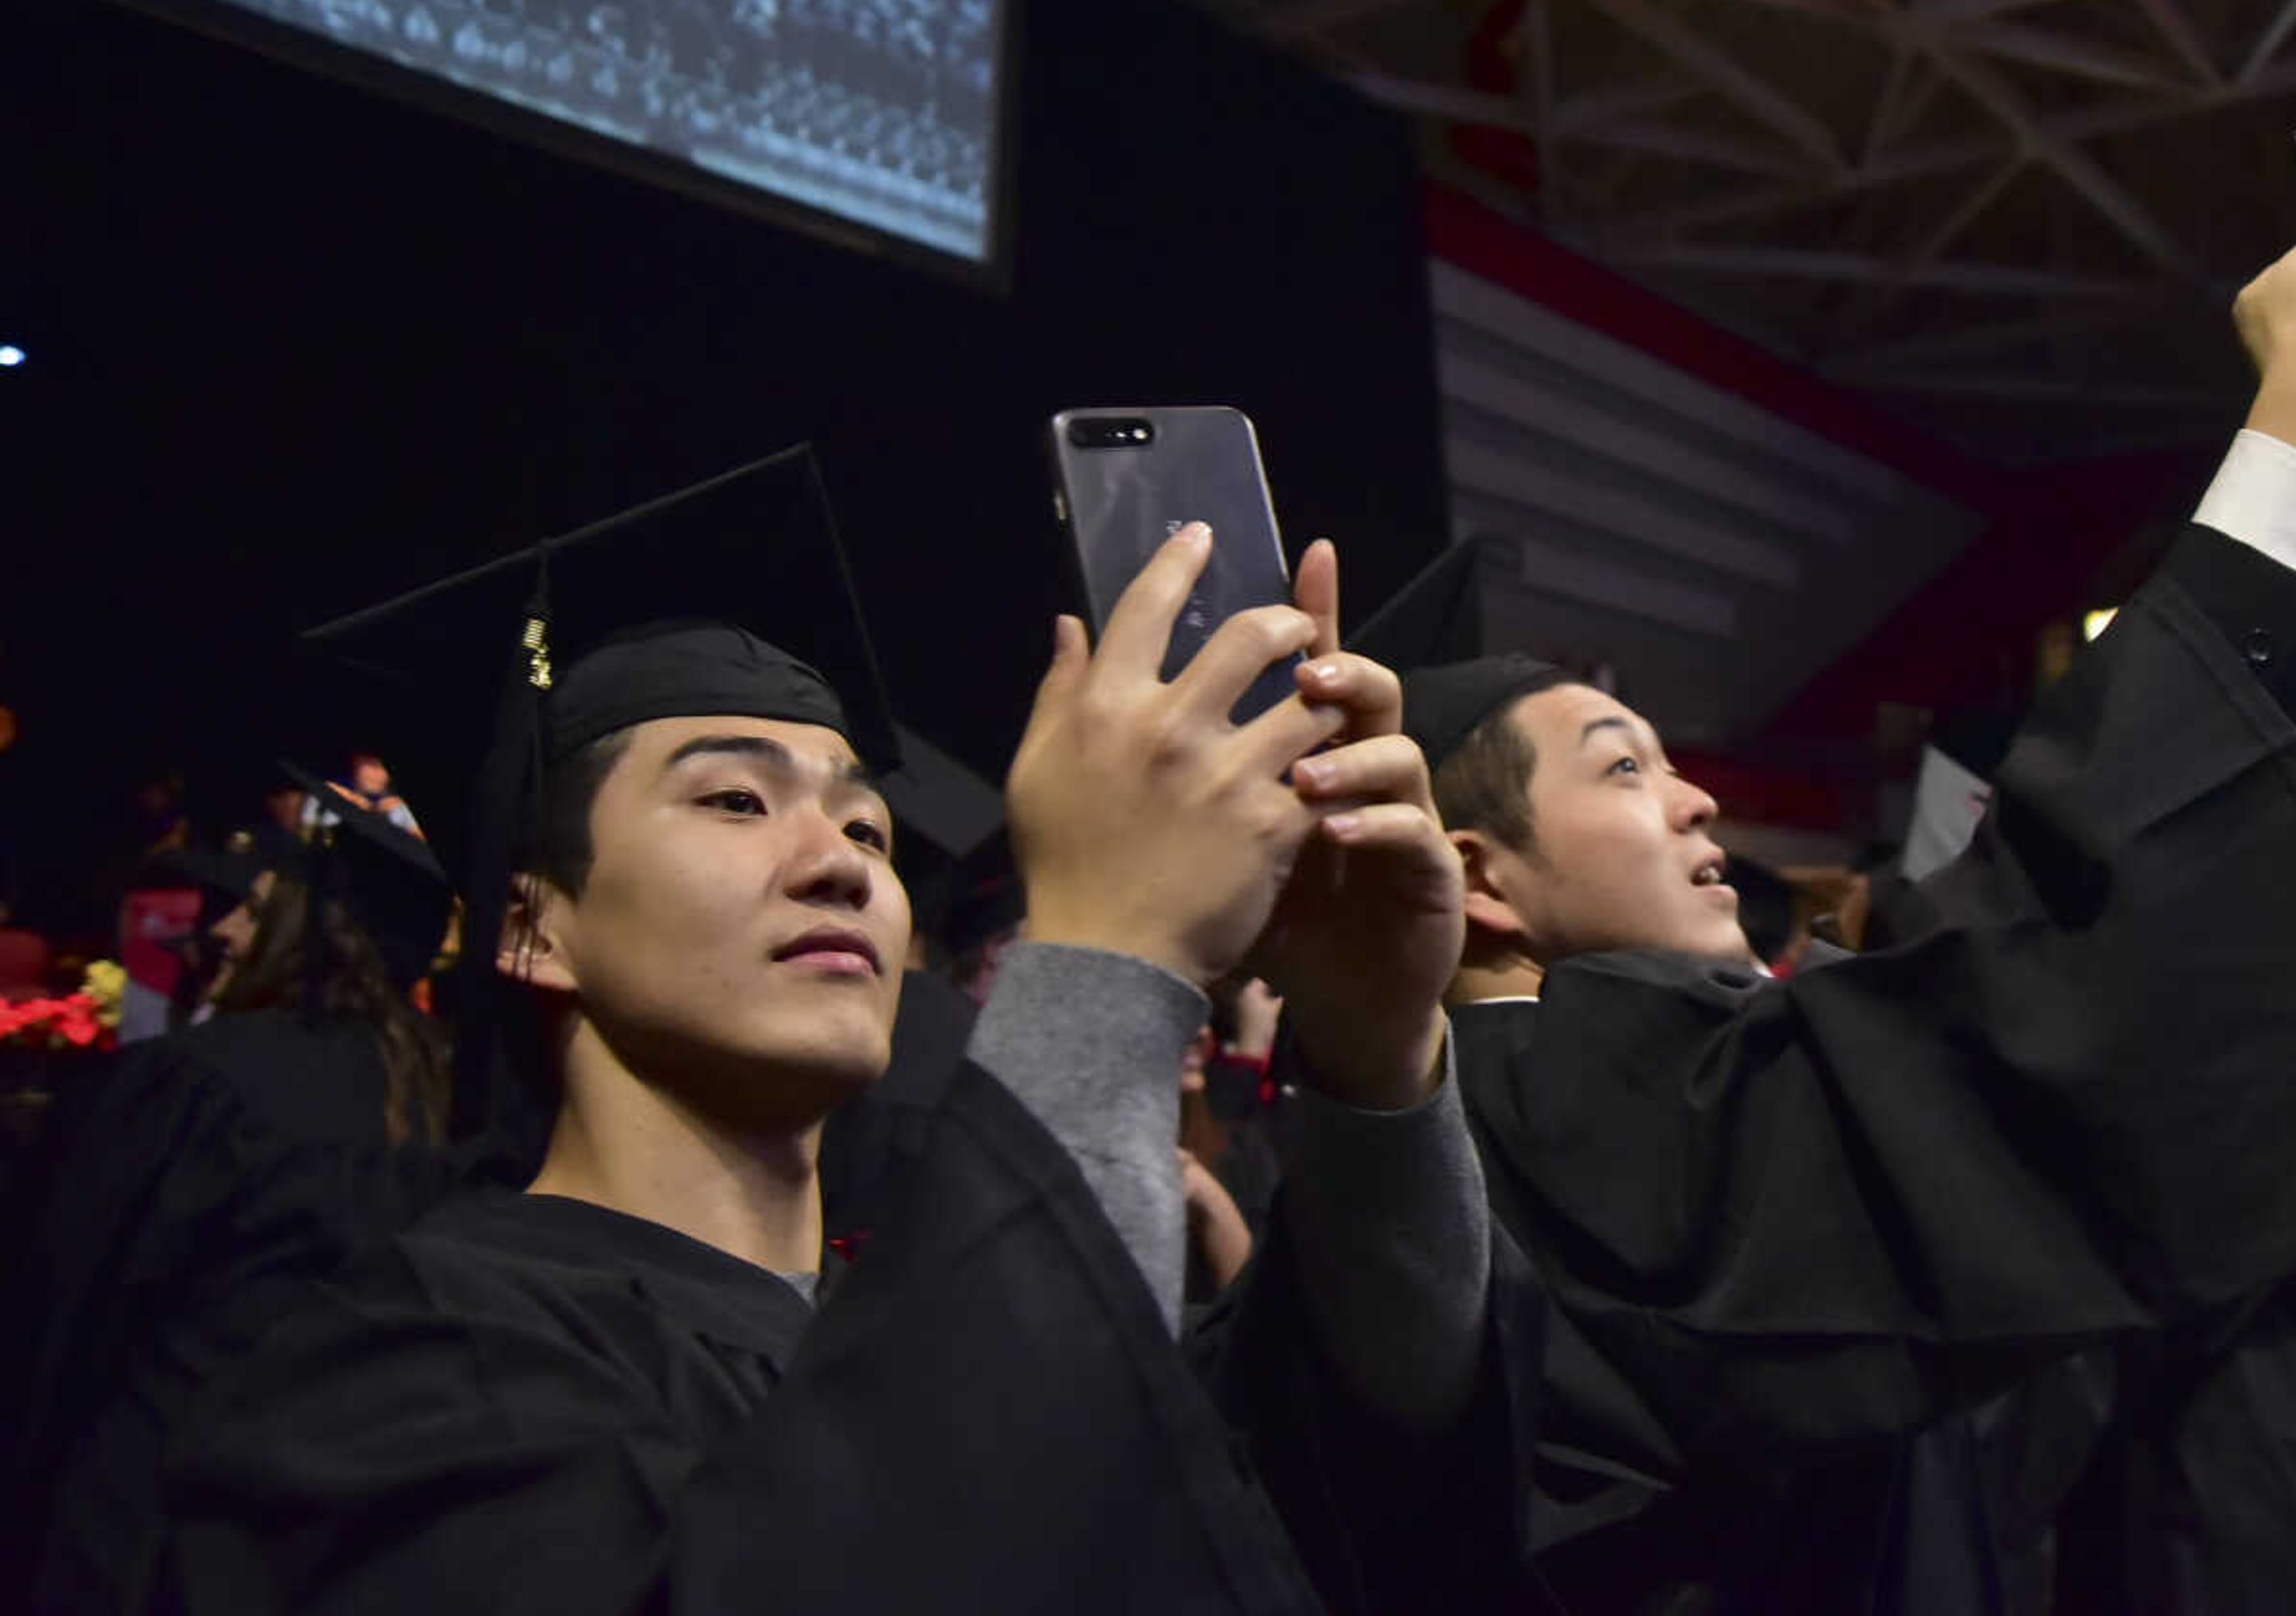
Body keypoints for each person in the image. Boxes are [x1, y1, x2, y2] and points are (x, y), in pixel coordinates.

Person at [1396, 171, 2296, 1614]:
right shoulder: (1559, 1124)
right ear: (1479, 880)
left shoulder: (1544, 1120)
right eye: (1625, 766)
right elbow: (2029, 963)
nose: (1697, 797)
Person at [150, 450, 1533, 1614]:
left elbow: (1377, 1476)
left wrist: (1371, 1056)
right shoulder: (391, 1383)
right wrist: (1114, 956)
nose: (842, 862)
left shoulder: (944, 1306)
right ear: (531, 925)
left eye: (866, 824)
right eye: (736, 803)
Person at [0, 787, 469, 1613]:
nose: (220, 929)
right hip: (338, 1538)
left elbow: (70, 1297)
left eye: (253, 908)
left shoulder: (211, 1081)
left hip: (150, 1523)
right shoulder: (455, 1098)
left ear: (310, 929)